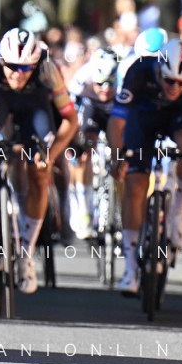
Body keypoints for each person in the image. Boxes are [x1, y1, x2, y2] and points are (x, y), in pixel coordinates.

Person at [0, 28, 78, 294]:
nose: (18, 73)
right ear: (2, 60)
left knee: (39, 171)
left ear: (35, 64)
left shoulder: (48, 69)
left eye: (25, 68)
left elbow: (71, 120)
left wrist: (50, 156)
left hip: (34, 106)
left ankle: (26, 254)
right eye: (12, 67)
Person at [108, 38, 182, 294]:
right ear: (159, 68)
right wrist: (118, 156)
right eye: (169, 81)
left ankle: (180, 210)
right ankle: (130, 268)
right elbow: (116, 122)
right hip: (142, 119)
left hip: (178, 117)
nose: (175, 87)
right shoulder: (138, 71)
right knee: (135, 187)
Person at [66, 48, 119, 238]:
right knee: (84, 151)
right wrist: (74, 142)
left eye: (111, 82)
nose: (106, 88)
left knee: (121, 149)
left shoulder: (124, 78)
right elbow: (70, 112)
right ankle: (85, 211)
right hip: (91, 106)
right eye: (100, 83)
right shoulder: (82, 76)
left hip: (115, 106)